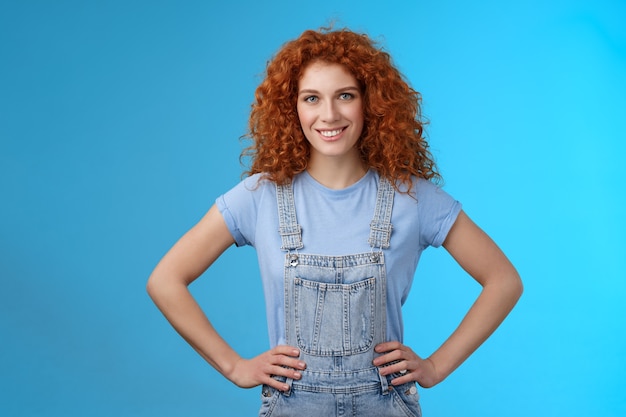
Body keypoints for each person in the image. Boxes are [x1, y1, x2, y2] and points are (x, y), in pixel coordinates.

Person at [147, 27, 523, 417]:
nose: (329, 115)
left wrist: (435, 367)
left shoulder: (412, 197)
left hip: (385, 405)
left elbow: (504, 281)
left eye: (346, 95)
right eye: (312, 98)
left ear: (371, 103)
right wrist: (234, 366)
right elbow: (165, 280)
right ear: (292, 108)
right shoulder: (260, 197)